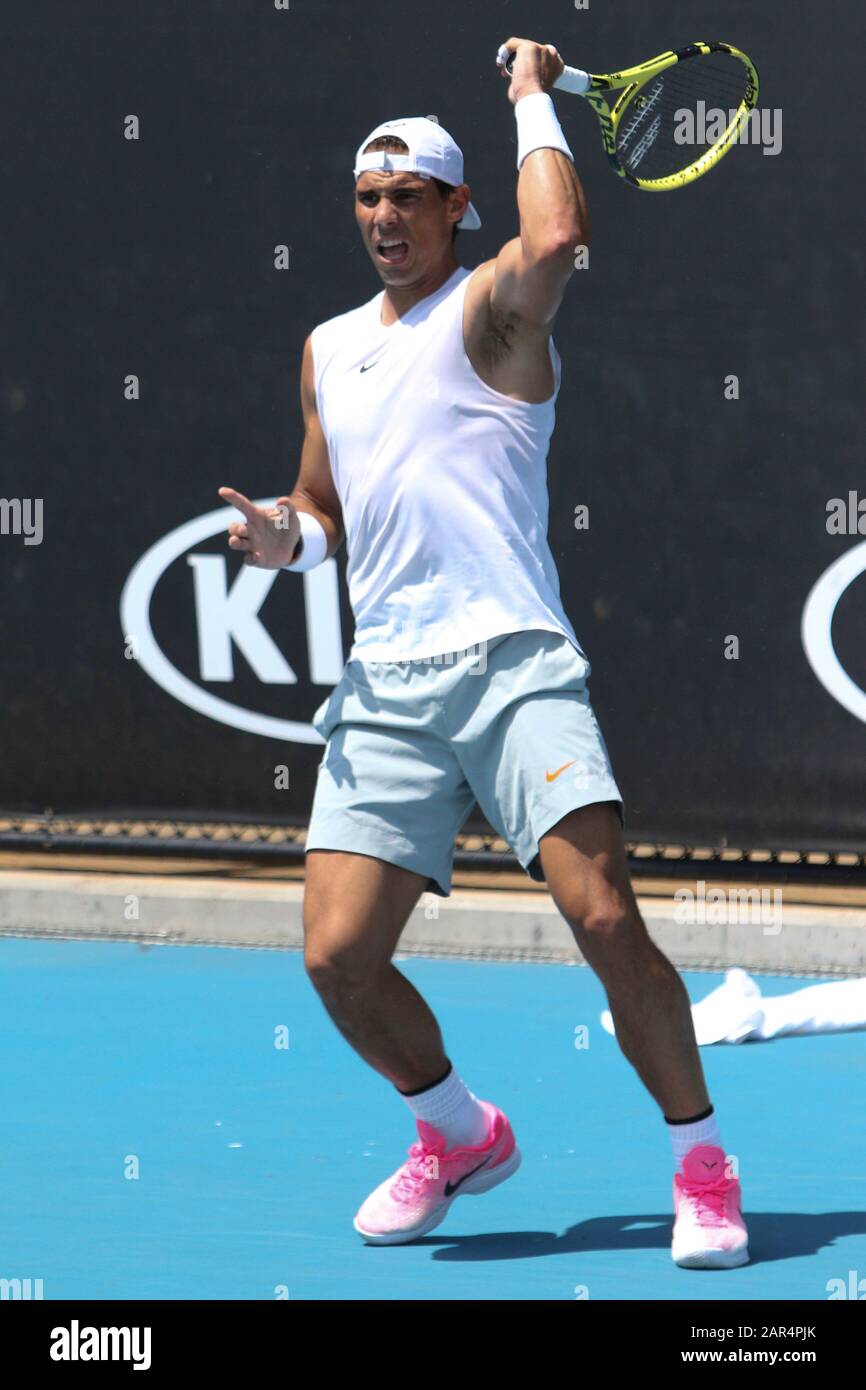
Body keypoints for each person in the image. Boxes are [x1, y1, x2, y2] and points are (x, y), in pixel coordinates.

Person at [218, 36, 748, 1269]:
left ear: (458, 205)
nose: (384, 217)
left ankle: (699, 1161)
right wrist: (278, 539)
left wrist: (527, 99)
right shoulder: (327, 348)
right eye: (366, 198)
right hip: (387, 683)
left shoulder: (495, 309)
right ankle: (454, 1132)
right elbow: (324, 511)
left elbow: (558, 238)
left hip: (512, 662)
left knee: (604, 916)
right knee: (336, 957)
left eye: (409, 196)